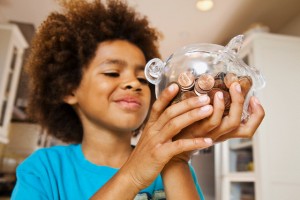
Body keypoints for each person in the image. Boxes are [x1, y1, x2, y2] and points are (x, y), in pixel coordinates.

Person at [11, 0, 265, 199]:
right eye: (112, 72)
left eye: (143, 78)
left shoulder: (173, 165)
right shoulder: (43, 169)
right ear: (69, 89)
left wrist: (176, 158)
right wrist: (132, 175)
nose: (134, 83)